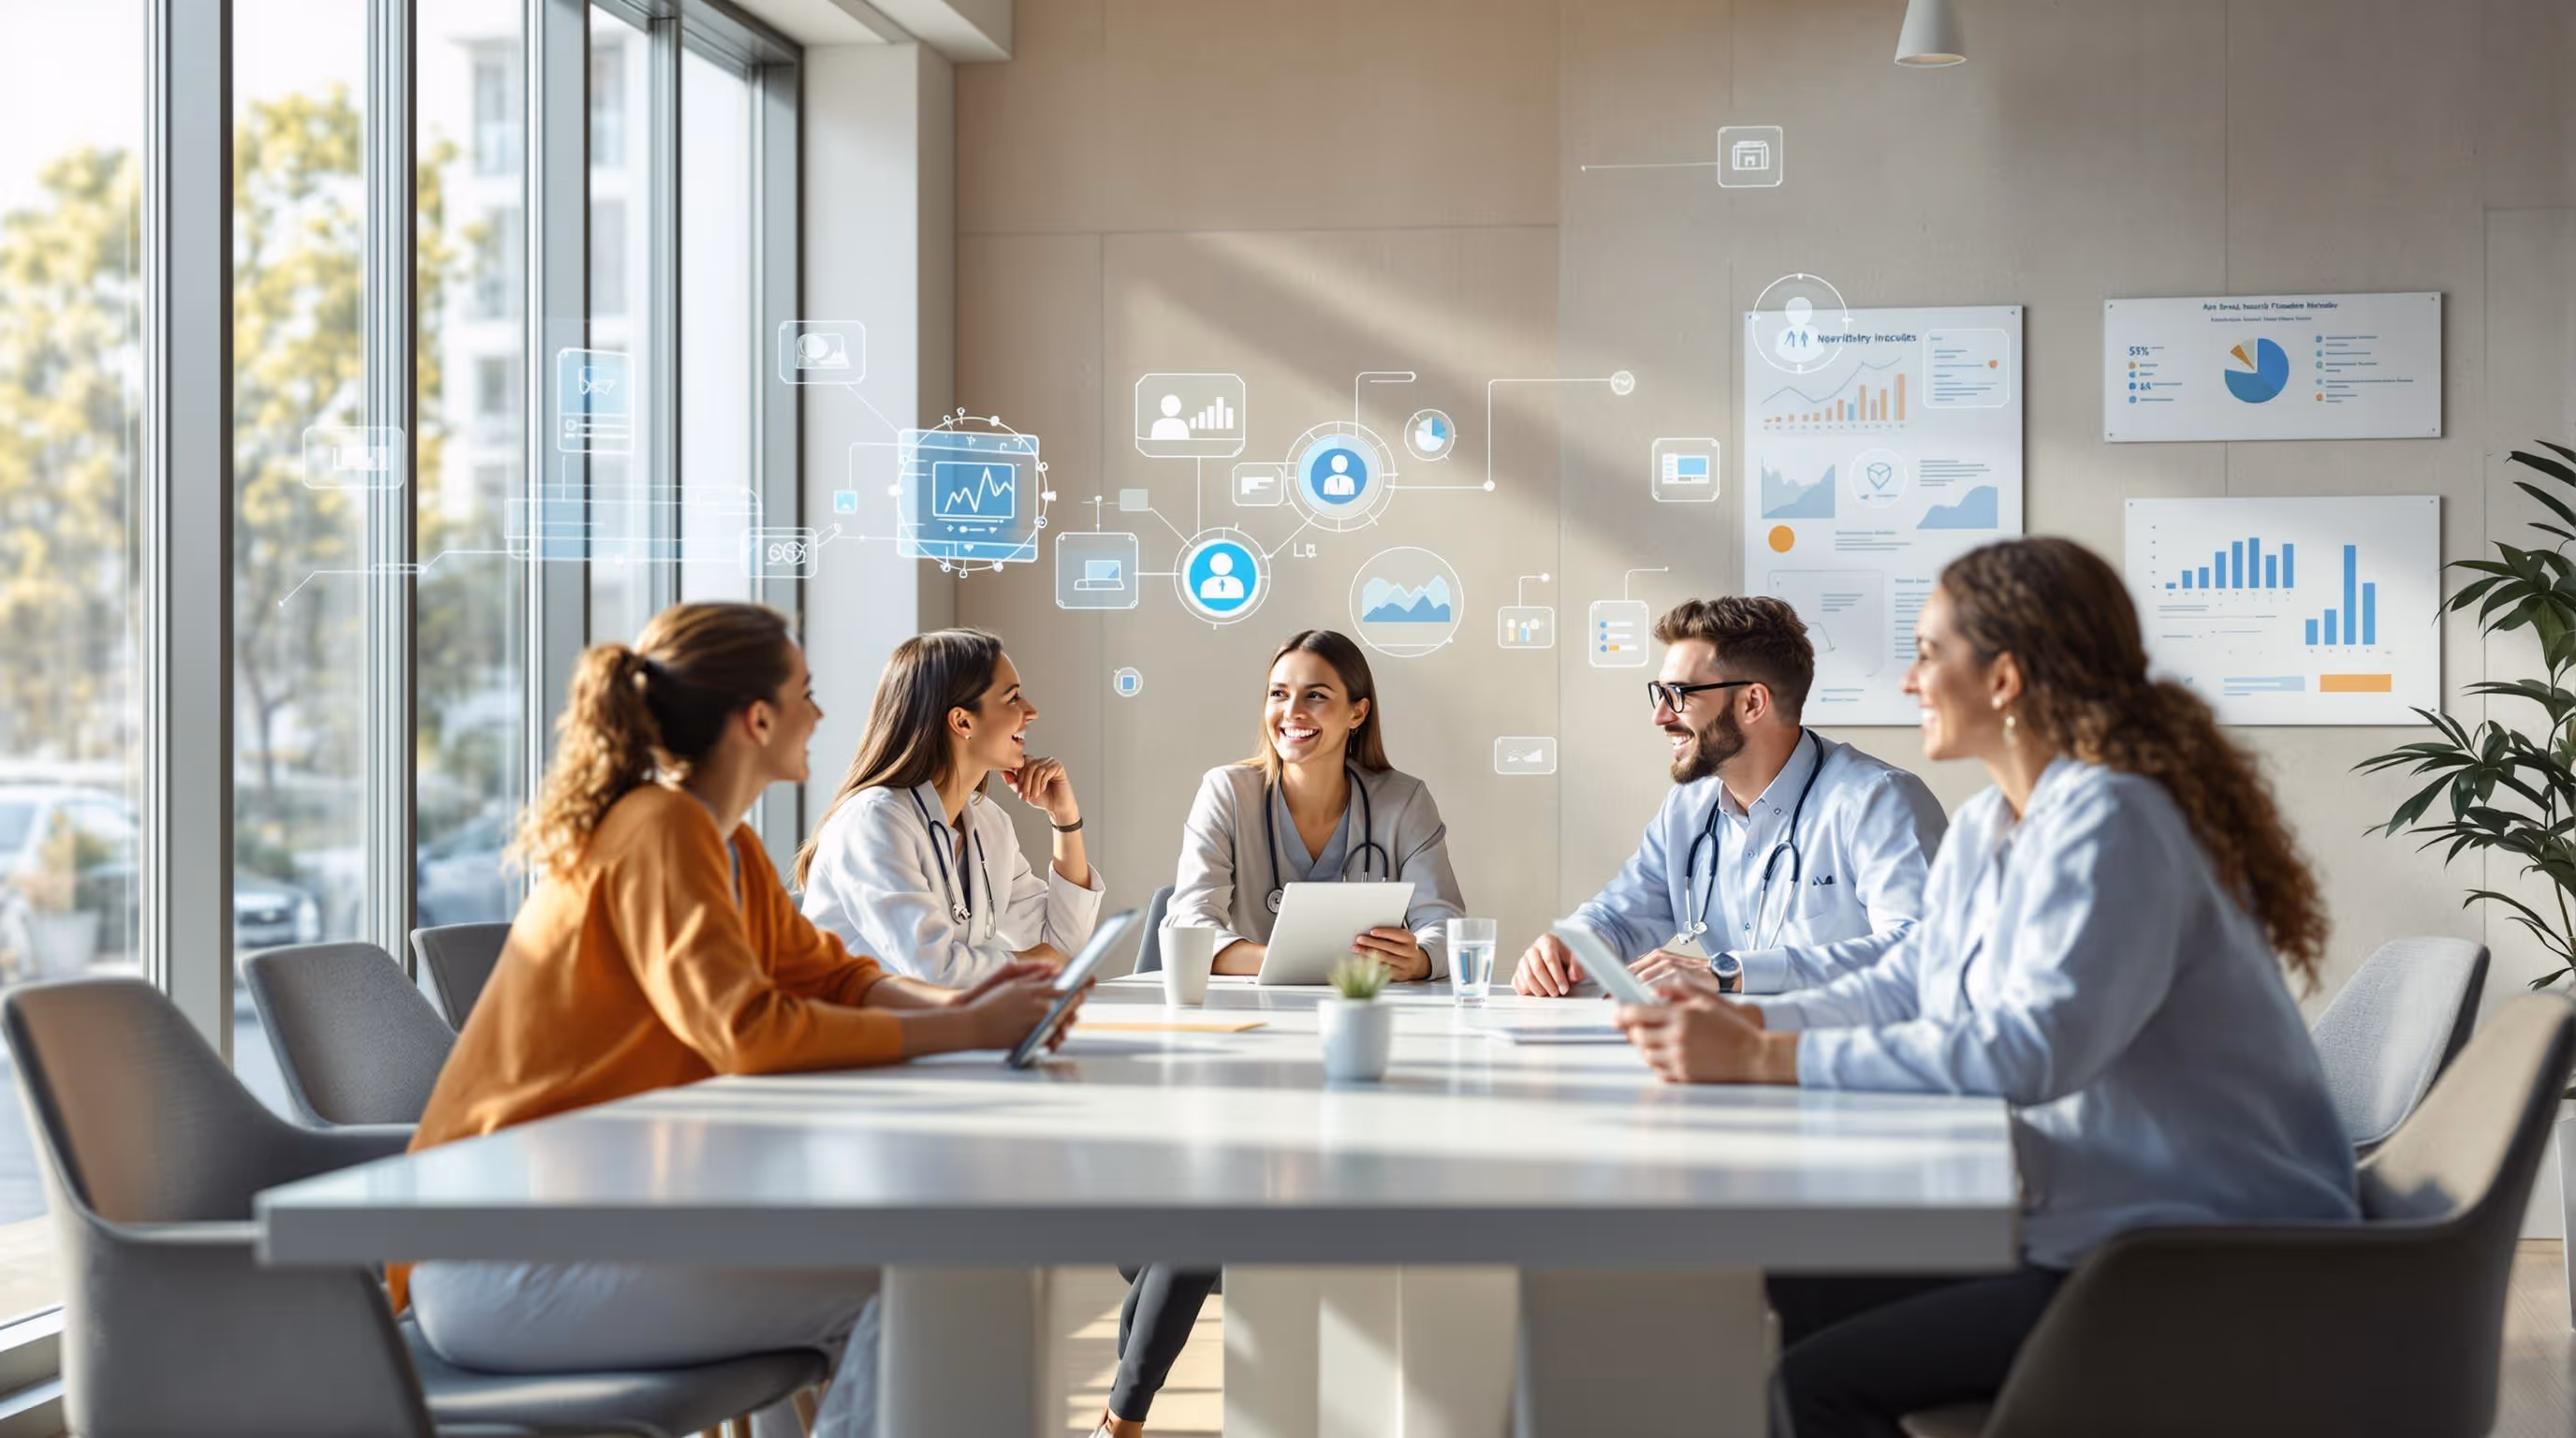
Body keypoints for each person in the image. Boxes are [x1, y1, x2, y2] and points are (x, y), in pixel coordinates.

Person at [1613, 539, 2359, 1438]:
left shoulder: (2115, 820)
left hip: (2197, 1260)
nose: (1909, 682)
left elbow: (2033, 1050)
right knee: (1803, 1280)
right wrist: (1744, 1020)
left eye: (1930, 654)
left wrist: (1769, 1056)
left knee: (1813, 1384)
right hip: (2097, 1227)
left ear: (2003, 678)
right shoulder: (1990, 827)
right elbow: (1907, 986)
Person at [401, 602, 1077, 1438]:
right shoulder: (659, 830)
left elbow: (833, 977)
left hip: (584, 1232)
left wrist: (970, 1008)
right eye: (806, 693)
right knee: (907, 1286)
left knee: (915, 1281)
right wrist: (963, 1028)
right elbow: (747, 1032)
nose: (822, 716)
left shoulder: (728, 845)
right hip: (508, 1262)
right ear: (759, 719)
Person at [1092, 629, 1466, 1438]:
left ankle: (1118, 1422)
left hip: (1352, 1057)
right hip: (1244, 1049)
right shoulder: (1228, 791)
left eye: (1315, 696)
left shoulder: (1402, 800)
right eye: (1278, 695)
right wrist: (1312, 960)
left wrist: (1416, 960)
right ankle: (1123, 1419)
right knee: (1212, 1200)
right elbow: (1188, 924)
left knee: (1200, 1215)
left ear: (1357, 712)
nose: (1290, 713)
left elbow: (1446, 929)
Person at [1515, 595, 1945, 999]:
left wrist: (1730, 971)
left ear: (1752, 703)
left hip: (1849, 1064)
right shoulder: (1689, 809)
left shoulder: (1878, 802)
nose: (1659, 716)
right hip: (1732, 1056)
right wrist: (1569, 944)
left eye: (1679, 695)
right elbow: (1621, 914)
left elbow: (1920, 952)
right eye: (1660, 693)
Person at [798, 628, 1105, 987]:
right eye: (1013, 699)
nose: (1031, 712)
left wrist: (1064, 820)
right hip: (855, 1038)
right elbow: (934, 969)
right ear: (962, 721)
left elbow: (1063, 946)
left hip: (936, 1031)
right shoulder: (873, 821)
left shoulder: (989, 823)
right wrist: (1031, 964)